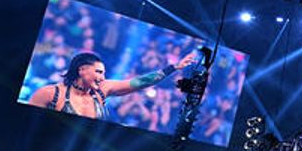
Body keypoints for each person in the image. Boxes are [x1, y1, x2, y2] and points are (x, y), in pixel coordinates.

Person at [26, 51, 197, 119]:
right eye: (99, 72)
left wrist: (174, 67)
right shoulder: (49, 94)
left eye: (104, 73)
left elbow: (142, 82)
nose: (103, 77)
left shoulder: (103, 89)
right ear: (82, 70)